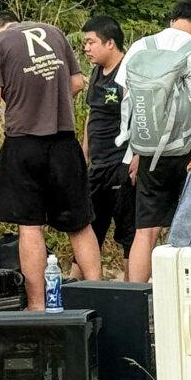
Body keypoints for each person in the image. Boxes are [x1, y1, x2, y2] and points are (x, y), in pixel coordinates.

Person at [0, 11, 102, 310]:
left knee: (30, 227)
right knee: (79, 224)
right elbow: (76, 83)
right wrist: (51, 103)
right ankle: (101, 297)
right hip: (64, 142)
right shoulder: (54, 33)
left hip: (23, 143)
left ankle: (37, 306)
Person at [115, 0, 191, 283]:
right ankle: (185, 294)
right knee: (190, 229)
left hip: (149, 149)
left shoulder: (140, 47)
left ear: (172, 20)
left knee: (145, 230)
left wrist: (135, 150)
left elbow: (129, 100)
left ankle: (136, 298)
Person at [76, 15, 135, 278]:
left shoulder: (128, 72)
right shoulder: (97, 72)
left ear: (110, 43)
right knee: (87, 227)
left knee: (128, 232)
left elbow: (138, 117)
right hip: (96, 165)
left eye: (91, 42)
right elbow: (93, 115)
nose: (86, 48)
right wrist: (83, 154)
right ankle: (76, 290)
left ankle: (133, 291)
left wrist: (136, 156)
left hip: (120, 163)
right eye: (85, 43)